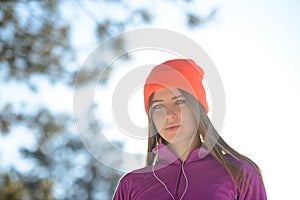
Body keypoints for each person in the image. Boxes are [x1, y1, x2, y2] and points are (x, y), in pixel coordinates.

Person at [113, 59, 267, 200]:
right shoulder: (130, 185)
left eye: (179, 101)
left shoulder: (239, 172)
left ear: (197, 109)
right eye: (158, 106)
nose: (169, 115)